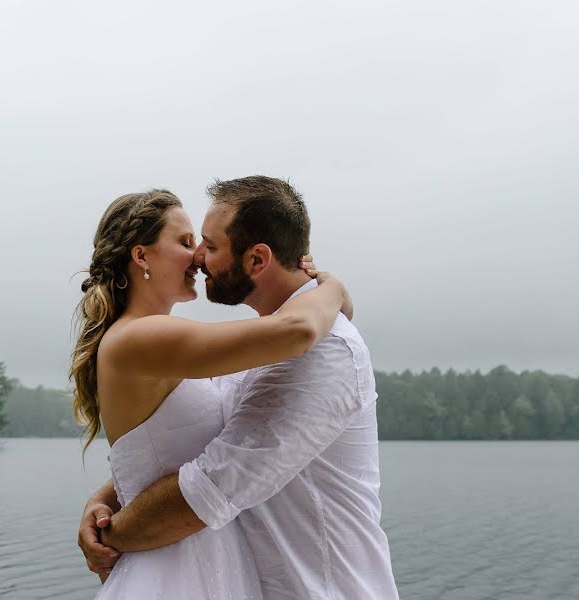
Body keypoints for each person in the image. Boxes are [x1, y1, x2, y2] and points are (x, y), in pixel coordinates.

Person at [79, 176, 399, 599]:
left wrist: (113, 528)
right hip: (185, 570)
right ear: (142, 257)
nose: (198, 256)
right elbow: (192, 453)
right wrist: (335, 290)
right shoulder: (154, 339)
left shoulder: (323, 350)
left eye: (207, 244)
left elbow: (209, 475)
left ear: (257, 260)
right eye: (190, 241)